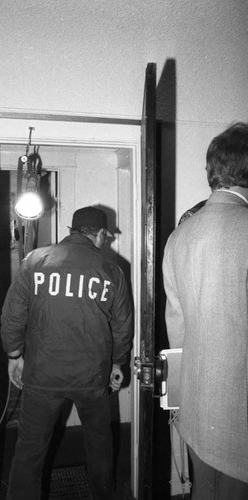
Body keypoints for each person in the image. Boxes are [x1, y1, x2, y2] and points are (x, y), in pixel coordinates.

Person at [1, 206, 133, 500]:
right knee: (99, 446)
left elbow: (12, 316)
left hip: (43, 375)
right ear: (99, 234)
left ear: (72, 231)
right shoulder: (112, 269)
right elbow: (123, 325)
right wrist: (118, 363)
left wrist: (14, 355)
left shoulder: (35, 260)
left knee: (29, 451)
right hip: (92, 377)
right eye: (105, 236)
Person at [162, 122, 248, 500]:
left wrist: (178, 401)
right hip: (238, 415)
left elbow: (175, 329)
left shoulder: (180, 236)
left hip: (197, 406)